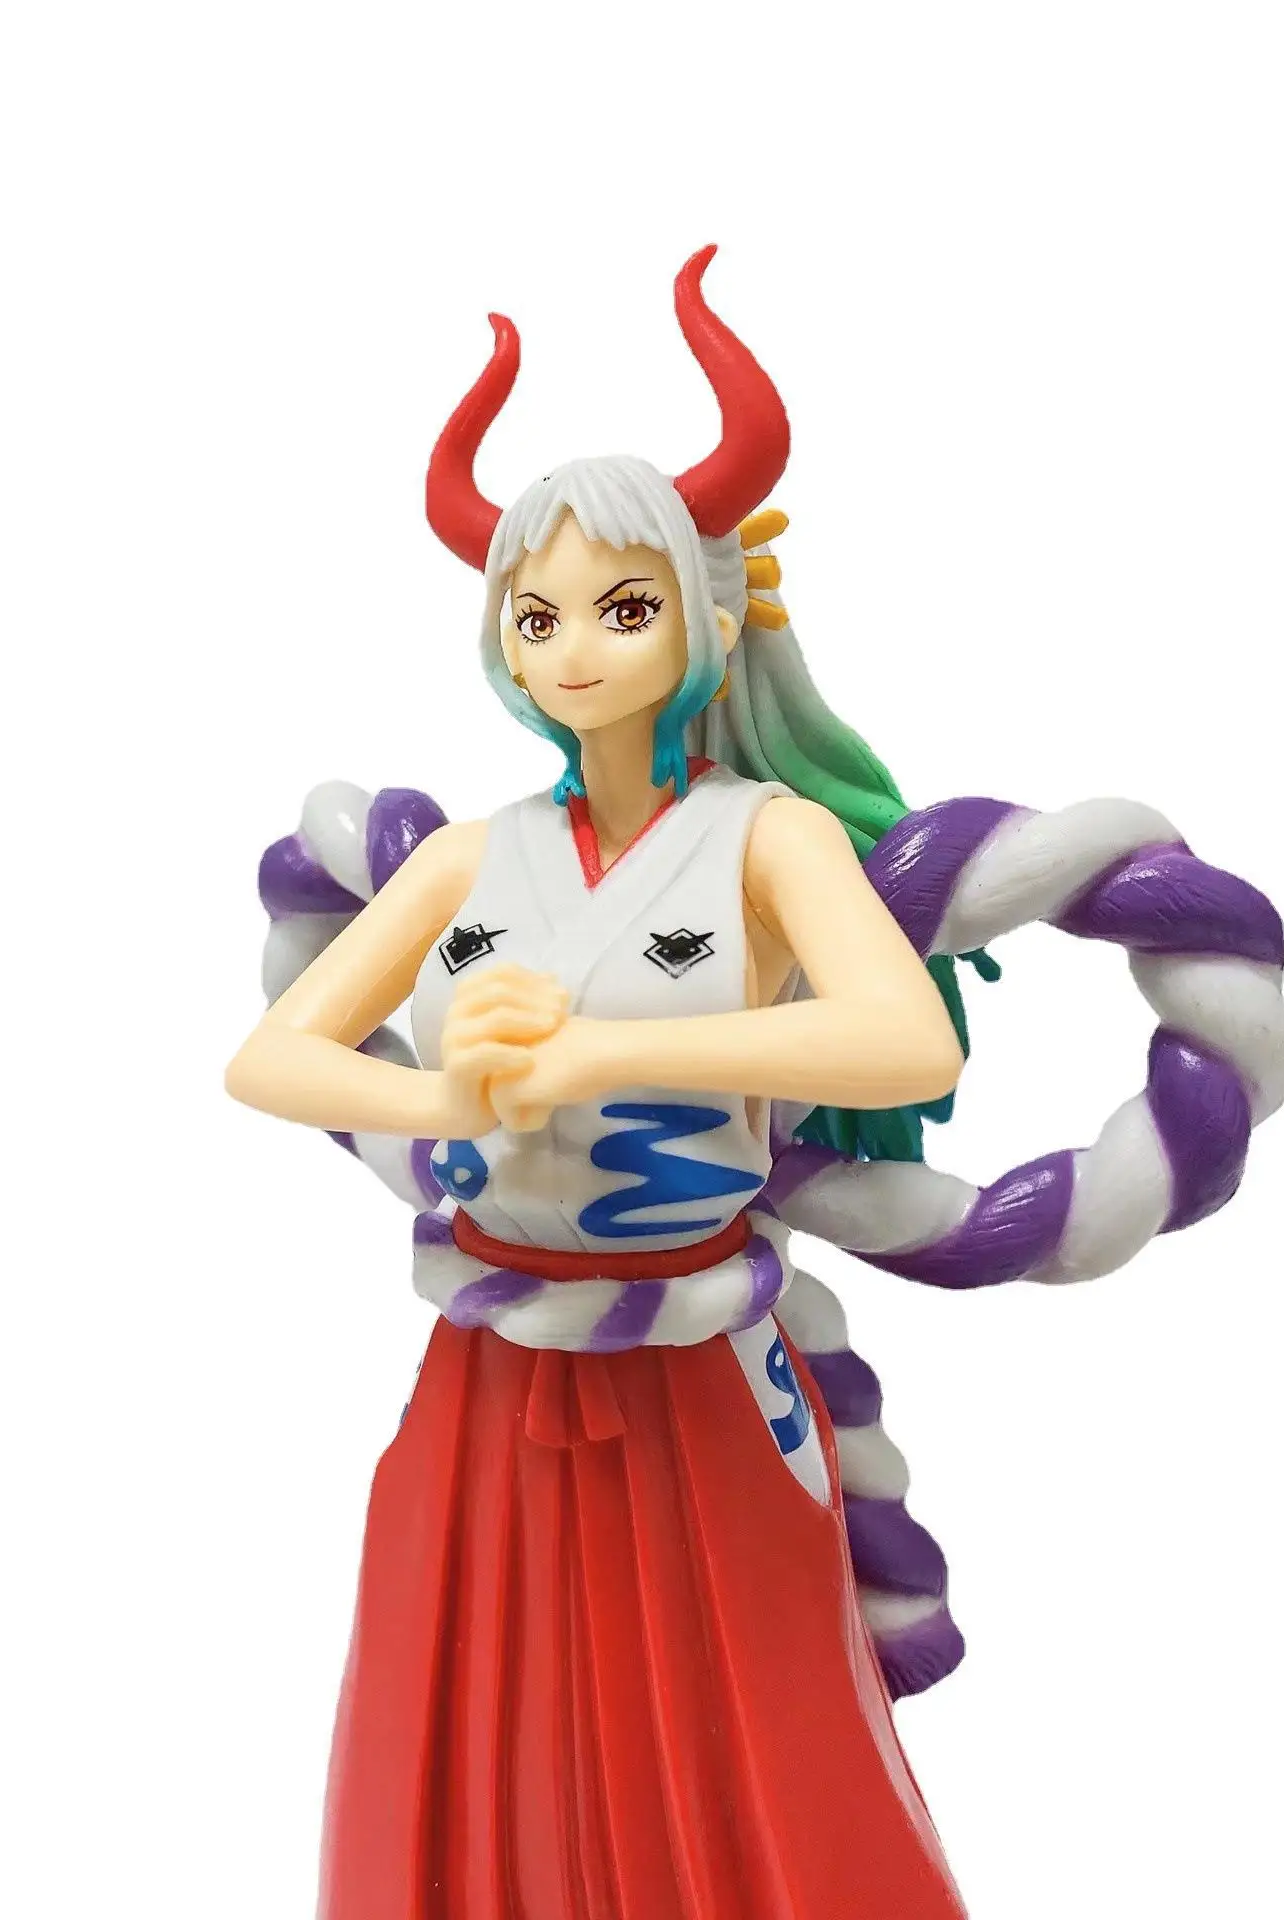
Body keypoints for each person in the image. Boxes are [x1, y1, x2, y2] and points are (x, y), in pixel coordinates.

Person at [226, 247, 976, 1918]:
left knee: (743, 1710)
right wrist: (448, 1102)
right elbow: (273, 1056)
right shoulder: (470, 856)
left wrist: (612, 1052)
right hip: (497, 1357)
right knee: (484, 1710)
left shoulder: (769, 837)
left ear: (704, 616)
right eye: (537, 614)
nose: (573, 648)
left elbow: (902, 1039)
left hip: (698, 1358)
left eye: (622, 608)